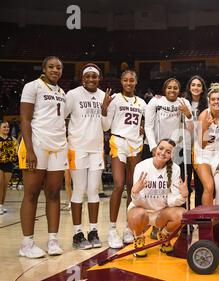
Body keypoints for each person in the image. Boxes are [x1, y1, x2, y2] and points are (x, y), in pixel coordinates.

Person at [18, 56, 67, 258]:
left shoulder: (62, 92)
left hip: (58, 146)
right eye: (51, 67)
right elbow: (25, 119)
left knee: (54, 194)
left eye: (59, 67)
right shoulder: (32, 87)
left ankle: (52, 240)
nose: (55, 70)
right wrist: (29, 150)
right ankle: (26, 244)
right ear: (44, 68)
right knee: (31, 194)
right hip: (36, 145)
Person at [102, 70, 146, 249]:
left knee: (132, 187)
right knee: (119, 185)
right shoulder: (115, 100)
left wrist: (142, 129)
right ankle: (112, 229)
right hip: (118, 141)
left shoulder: (142, 102)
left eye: (132, 80)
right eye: (125, 80)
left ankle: (128, 227)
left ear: (136, 82)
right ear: (121, 81)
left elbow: (142, 124)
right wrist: (104, 108)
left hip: (135, 144)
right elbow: (106, 126)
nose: (128, 83)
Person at [65, 63, 106, 249]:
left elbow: (106, 127)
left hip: (96, 149)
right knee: (79, 190)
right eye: (88, 76)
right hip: (77, 148)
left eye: (94, 76)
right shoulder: (72, 95)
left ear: (99, 78)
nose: (91, 79)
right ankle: (77, 233)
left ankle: (93, 231)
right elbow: (62, 117)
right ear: (83, 78)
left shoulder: (104, 96)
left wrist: (104, 109)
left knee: (93, 191)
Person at [145, 78, 192, 237]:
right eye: (169, 88)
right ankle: (156, 224)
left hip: (177, 149)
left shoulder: (184, 102)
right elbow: (148, 126)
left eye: (176, 88)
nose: (172, 90)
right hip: (160, 149)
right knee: (159, 186)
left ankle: (182, 221)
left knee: (177, 186)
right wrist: (153, 146)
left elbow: (190, 127)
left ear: (180, 90)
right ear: (164, 89)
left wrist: (188, 115)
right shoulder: (155, 102)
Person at [127, 139, 188, 257]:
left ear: (171, 156)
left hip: (161, 214)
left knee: (182, 214)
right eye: (161, 148)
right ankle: (139, 238)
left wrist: (182, 197)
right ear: (156, 149)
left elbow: (172, 200)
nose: (163, 153)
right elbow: (138, 202)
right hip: (142, 211)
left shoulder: (175, 169)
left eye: (168, 151)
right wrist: (135, 193)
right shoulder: (141, 166)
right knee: (137, 214)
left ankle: (164, 235)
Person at [194, 83, 219, 207]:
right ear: (209, 101)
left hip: (218, 153)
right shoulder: (203, 116)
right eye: (213, 99)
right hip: (202, 153)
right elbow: (201, 144)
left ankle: (217, 221)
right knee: (209, 186)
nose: (216, 102)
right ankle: (206, 220)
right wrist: (205, 127)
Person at [184, 75, 208, 208]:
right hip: (185, 147)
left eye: (199, 85)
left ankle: (200, 216)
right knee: (185, 183)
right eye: (193, 85)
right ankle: (186, 215)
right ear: (189, 87)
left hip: (201, 148)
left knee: (200, 183)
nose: (196, 87)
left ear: (203, 88)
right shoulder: (182, 101)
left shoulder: (208, 103)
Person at [0, 121, 18, 214]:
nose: (6, 128)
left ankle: (1, 205)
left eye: (7, 127)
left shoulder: (13, 139)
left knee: (4, 187)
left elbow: (16, 152)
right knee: (0, 184)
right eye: (4, 127)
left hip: (9, 164)